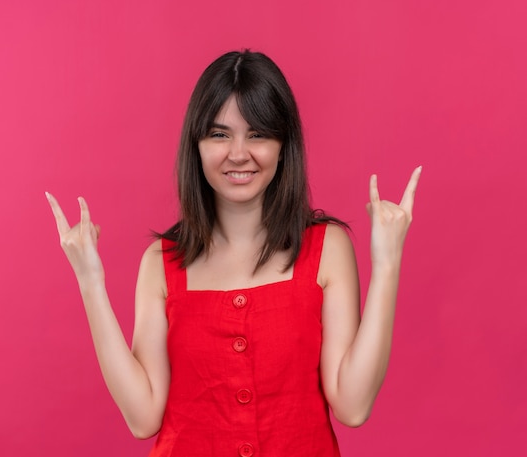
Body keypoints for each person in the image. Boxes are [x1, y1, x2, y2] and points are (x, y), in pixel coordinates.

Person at [46, 50, 421, 457]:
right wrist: (90, 281)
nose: (238, 154)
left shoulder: (326, 249)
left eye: (258, 134)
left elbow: (352, 405)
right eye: (219, 134)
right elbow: (142, 418)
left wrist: (387, 263)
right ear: (197, 144)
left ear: (283, 145)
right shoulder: (162, 262)